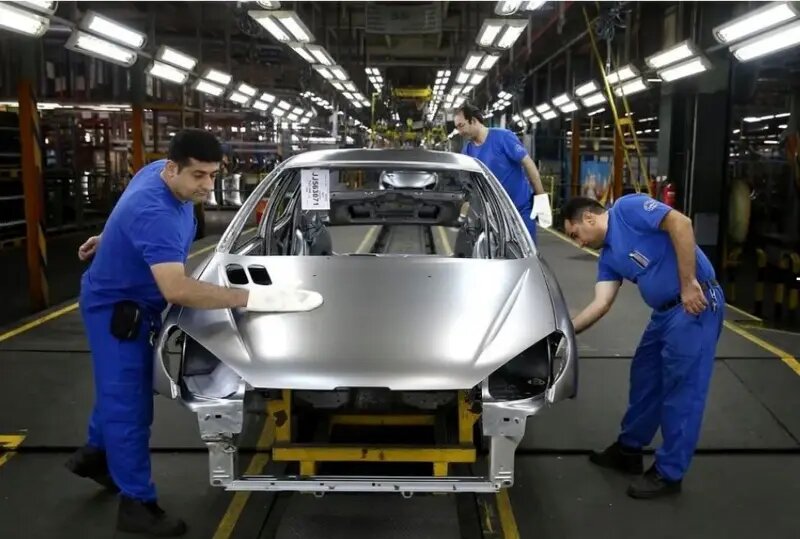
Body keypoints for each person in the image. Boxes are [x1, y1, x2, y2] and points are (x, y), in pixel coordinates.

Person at [65, 129, 322, 536]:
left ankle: (95, 454)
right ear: (172, 169)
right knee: (130, 404)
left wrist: (112, 238)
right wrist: (252, 298)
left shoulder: (155, 173)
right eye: (198, 175)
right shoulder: (157, 216)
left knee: (120, 389)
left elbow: (129, 211)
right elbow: (178, 290)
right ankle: (137, 505)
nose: (207, 186)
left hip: (135, 295)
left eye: (213, 175)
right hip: (117, 310)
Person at [563, 194, 724, 499]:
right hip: (664, 314)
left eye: (575, 234)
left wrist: (688, 283)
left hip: (694, 305)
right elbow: (600, 304)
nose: (579, 243)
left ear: (589, 218)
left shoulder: (627, 209)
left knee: (683, 391)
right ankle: (629, 450)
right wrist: (561, 334)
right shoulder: (608, 257)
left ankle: (669, 473)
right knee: (645, 377)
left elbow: (681, 223)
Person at [454, 103, 551, 243]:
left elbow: (528, 164)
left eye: (461, 126)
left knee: (527, 251)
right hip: (495, 217)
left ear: (473, 121)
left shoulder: (503, 137)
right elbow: (470, 186)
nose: (459, 132)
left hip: (520, 211)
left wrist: (541, 198)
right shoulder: (467, 151)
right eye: (457, 127)